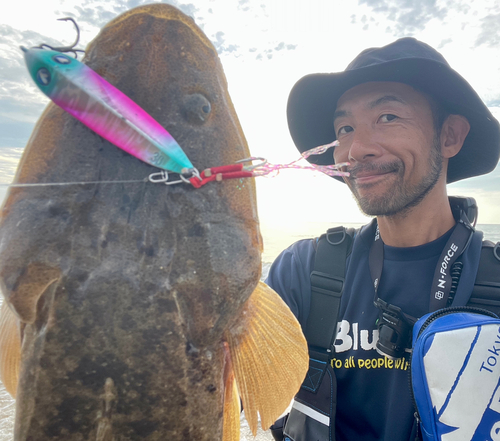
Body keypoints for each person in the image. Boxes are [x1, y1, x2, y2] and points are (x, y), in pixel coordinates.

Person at [266, 38, 500, 441]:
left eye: (388, 117)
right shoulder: (304, 272)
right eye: (345, 128)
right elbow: (212, 383)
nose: (357, 149)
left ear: (450, 137)